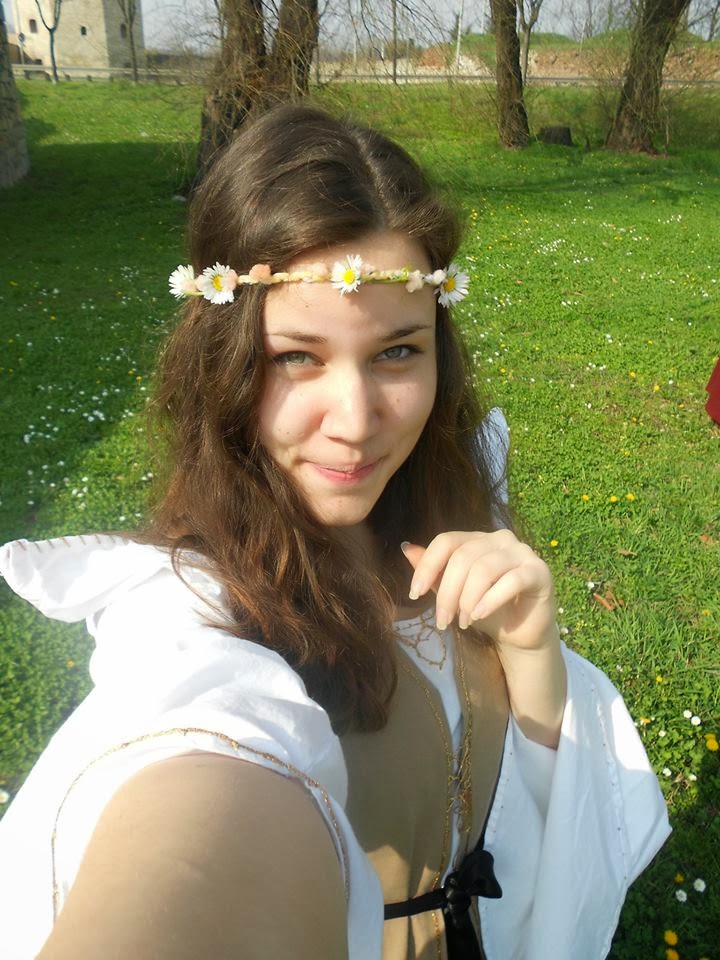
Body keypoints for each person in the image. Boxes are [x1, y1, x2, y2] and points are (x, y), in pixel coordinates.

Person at [0, 104, 669, 960]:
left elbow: (529, 804)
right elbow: (198, 802)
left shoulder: (451, 501)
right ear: (225, 362)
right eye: (296, 357)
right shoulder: (192, 615)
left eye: (397, 351)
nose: (355, 423)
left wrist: (530, 650)